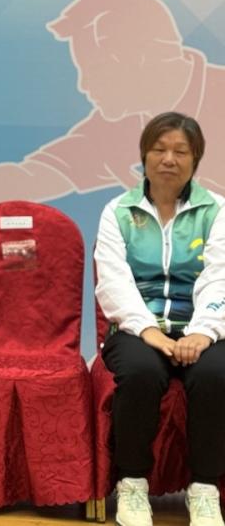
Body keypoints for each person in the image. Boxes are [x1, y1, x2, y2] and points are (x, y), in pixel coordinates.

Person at [0, 0, 225, 201]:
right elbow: (35, 177)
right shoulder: (113, 127)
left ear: (140, 58)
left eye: (94, 72)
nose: (83, 86)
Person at [95, 112, 225, 526]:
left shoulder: (216, 211)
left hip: (201, 327)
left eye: (180, 151)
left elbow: (220, 278)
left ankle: (204, 490)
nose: (169, 159)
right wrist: (149, 330)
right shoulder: (118, 211)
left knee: (215, 374)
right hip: (137, 328)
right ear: (144, 156)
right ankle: (132, 484)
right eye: (159, 149)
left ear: (195, 159)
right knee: (140, 372)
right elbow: (113, 283)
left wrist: (202, 333)